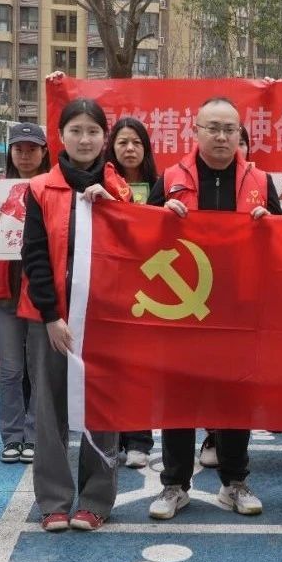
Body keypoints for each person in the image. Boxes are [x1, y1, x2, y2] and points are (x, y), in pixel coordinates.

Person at [145, 96, 282, 520]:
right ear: (196, 131)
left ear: (240, 134)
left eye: (229, 129)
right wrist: (159, 216)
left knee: (235, 395)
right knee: (179, 396)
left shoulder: (261, 181)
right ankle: (174, 484)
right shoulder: (170, 178)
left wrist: (268, 223)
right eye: (213, 128)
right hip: (183, 306)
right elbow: (140, 239)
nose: (222, 137)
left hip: (239, 307)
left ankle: (234, 482)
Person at [22, 95, 132, 532]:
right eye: (76, 131)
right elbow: (34, 256)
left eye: (93, 131)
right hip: (52, 319)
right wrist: (51, 315)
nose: (85, 139)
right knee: (48, 410)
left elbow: (135, 252)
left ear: (104, 137)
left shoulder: (120, 190)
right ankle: (53, 500)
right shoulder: (39, 189)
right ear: (60, 136)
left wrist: (114, 209)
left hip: (106, 319)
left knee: (101, 408)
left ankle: (96, 499)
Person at [0, 122, 51, 465]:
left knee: (38, 370)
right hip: (5, 291)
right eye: (19, 149)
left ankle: (35, 435)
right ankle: (12, 435)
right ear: (10, 152)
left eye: (32, 149)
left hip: (39, 292)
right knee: (10, 370)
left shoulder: (54, 188)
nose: (25, 155)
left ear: (44, 151)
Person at [104, 117, 161, 468]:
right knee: (111, 365)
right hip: (110, 284)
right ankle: (114, 437)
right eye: (122, 142)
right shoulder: (99, 184)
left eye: (136, 143)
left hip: (149, 287)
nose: (129, 149)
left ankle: (140, 438)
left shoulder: (161, 184)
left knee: (141, 366)